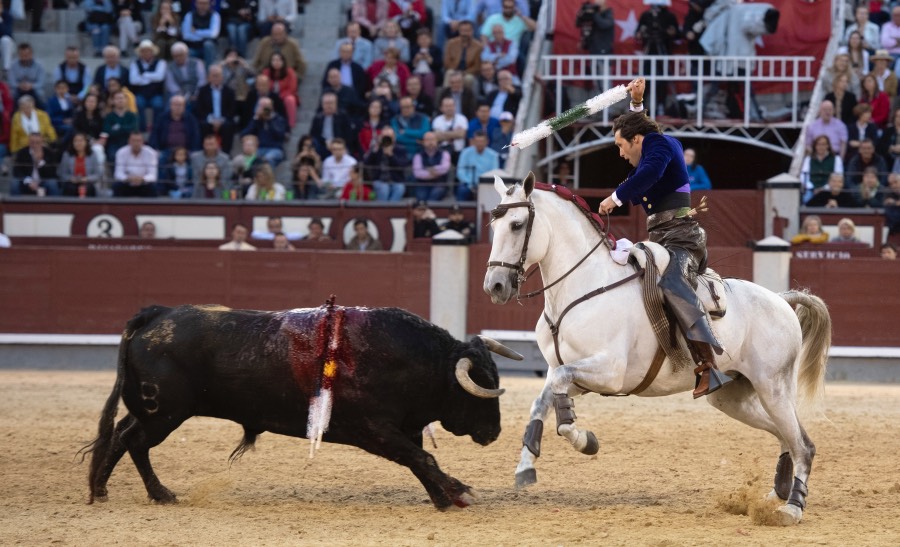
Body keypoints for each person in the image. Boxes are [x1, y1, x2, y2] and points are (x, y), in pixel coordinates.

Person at [597, 77, 730, 399]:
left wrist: (615, 198)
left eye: (620, 145)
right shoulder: (654, 145)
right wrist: (637, 106)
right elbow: (645, 145)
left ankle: (709, 366)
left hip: (683, 238)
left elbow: (649, 171)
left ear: (637, 139)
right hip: (664, 239)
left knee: (672, 284)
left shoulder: (660, 145)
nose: (619, 153)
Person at [149, 95, 202, 166]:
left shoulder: (191, 119)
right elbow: (155, 134)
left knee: (195, 159)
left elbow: (196, 136)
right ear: (170, 105)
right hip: (166, 150)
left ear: (184, 107)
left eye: (180, 105)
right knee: (160, 159)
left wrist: (193, 150)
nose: (177, 107)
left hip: (186, 150)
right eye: (175, 105)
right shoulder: (162, 118)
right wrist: (156, 149)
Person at [195, 64, 238, 151]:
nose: (216, 78)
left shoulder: (229, 91)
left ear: (222, 77)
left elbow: (232, 110)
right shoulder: (202, 91)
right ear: (209, 77)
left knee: (228, 126)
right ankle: (205, 151)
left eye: (218, 75)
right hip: (208, 119)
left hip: (224, 119)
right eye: (213, 76)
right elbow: (200, 109)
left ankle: (226, 153)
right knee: (203, 125)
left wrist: (221, 121)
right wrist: (212, 120)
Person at [129, 40, 168, 131]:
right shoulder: (135, 63)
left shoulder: (161, 62)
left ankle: (157, 128)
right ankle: (141, 128)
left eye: (148, 51)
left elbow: (159, 77)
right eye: (143, 51)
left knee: (158, 105)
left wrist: (143, 75)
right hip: (140, 93)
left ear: (152, 52)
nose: (146, 53)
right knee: (138, 104)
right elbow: (133, 80)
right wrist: (151, 77)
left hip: (156, 93)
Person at [240, 97, 287, 166]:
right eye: (261, 106)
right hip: (260, 148)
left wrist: (269, 120)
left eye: (266, 107)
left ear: (271, 107)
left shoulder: (278, 119)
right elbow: (244, 133)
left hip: (275, 149)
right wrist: (255, 119)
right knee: (250, 159)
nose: (264, 109)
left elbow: (280, 135)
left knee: (268, 159)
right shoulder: (257, 120)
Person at [310, 92, 356, 158]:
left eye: (331, 103)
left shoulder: (343, 116)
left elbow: (348, 135)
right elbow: (313, 135)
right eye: (326, 103)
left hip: (339, 145)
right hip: (322, 146)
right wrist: (325, 142)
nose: (329, 106)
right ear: (322, 104)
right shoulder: (318, 118)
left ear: (336, 104)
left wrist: (335, 143)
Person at [456, 129, 498, 200]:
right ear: (473, 141)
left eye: (482, 141)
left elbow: (494, 173)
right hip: (468, 183)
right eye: (477, 141)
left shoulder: (493, 155)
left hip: (486, 184)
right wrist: (470, 183)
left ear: (487, 142)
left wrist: (481, 185)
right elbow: (460, 171)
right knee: (462, 190)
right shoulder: (465, 152)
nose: (479, 144)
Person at [112, 131, 158, 197]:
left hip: (144, 184)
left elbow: (153, 175)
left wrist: (142, 179)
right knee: (117, 186)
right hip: (127, 183)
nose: (136, 143)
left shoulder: (151, 153)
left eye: (138, 141)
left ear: (143, 142)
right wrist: (129, 178)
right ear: (129, 141)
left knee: (153, 188)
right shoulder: (121, 152)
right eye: (133, 140)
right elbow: (118, 174)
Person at [801, 135, 844, 204]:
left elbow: (839, 176)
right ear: (815, 146)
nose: (821, 147)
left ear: (828, 146)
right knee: (806, 200)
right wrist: (812, 188)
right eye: (819, 144)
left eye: (824, 144)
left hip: (829, 189)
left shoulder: (836, 159)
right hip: (811, 189)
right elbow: (803, 176)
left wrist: (824, 188)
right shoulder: (808, 159)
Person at [58, 132, 102, 197]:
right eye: (76, 141)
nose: (78, 143)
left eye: (81, 141)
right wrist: (71, 179)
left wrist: (86, 179)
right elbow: (62, 173)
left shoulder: (92, 155)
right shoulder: (67, 155)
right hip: (72, 183)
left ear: (86, 142)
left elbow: (97, 174)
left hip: (87, 182)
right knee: (70, 188)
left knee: (88, 188)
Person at [263, 52, 299, 128]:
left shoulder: (290, 71)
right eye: (274, 60)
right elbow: (264, 86)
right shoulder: (266, 72)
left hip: (285, 95)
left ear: (283, 62)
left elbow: (292, 88)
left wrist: (280, 96)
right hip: (271, 96)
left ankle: (291, 124)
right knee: (265, 101)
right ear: (270, 62)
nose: (276, 62)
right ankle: (265, 122)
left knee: (290, 99)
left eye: (279, 60)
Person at [181, 0, 221, 68]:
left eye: (205, 3)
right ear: (196, 4)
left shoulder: (215, 15)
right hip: (193, 47)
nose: (202, 6)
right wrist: (205, 35)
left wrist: (196, 32)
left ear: (209, 4)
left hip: (208, 48)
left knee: (208, 45)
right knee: (186, 52)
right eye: (200, 3)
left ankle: (209, 73)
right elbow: (186, 35)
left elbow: (213, 34)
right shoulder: (189, 15)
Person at [413, 131, 451, 201]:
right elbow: (417, 173)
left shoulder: (444, 153)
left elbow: (445, 168)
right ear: (423, 142)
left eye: (432, 139)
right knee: (421, 197)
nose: (430, 142)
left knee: (436, 193)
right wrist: (434, 173)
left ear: (437, 141)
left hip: (439, 184)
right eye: (428, 140)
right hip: (423, 185)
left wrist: (429, 169)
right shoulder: (418, 156)